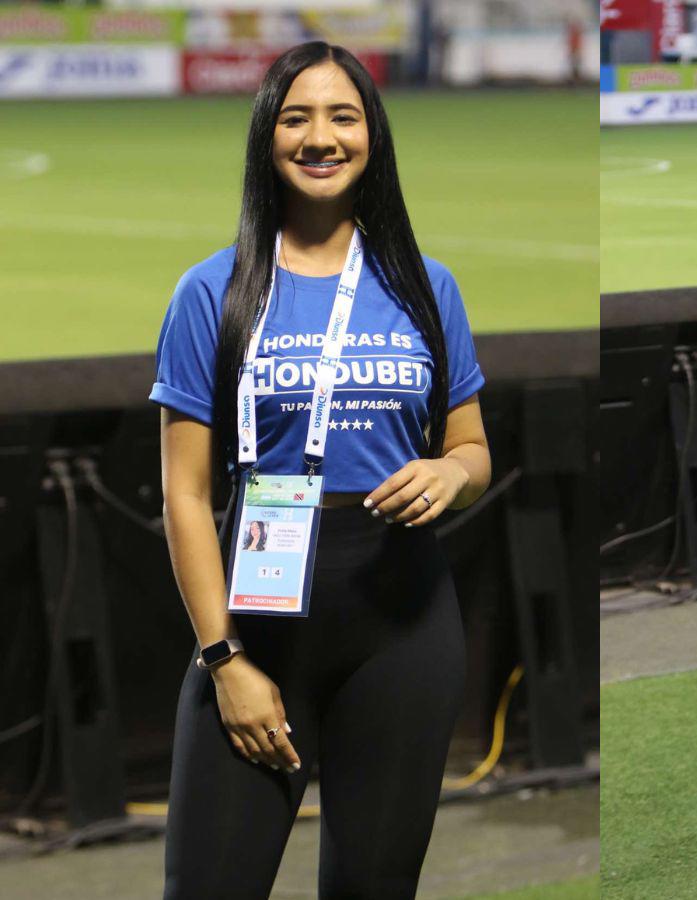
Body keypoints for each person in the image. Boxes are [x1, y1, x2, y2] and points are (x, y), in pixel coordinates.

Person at [150, 42, 491, 899]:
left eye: (344, 116)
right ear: (267, 135)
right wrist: (225, 660)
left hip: (403, 620)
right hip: (258, 621)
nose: (321, 138)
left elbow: (473, 450)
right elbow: (185, 495)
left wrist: (451, 476)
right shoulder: (211, 291)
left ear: (372, 134)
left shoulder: (426, 285)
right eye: (296, 118)